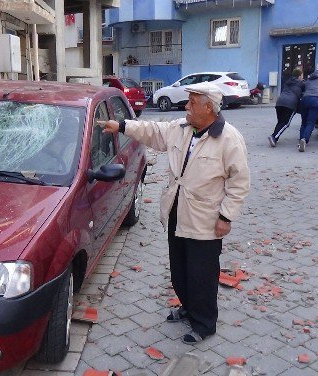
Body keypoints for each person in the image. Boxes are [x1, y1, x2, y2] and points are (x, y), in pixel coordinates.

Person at [98, 82, 250, 345]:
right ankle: (188, 308)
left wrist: (226, 217)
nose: (187, 106)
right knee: (180, 269)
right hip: (177, 211)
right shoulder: (181, 129)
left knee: (201, 274)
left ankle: (204, 324)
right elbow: (153, 131)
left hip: (206, 219)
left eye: (192, 103)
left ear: (209, 108)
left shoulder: (229, 139)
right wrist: (121, 126)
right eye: (188, 101)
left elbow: (239, 182)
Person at [268, 68, 304, 147]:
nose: (302, 76)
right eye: (301, 75)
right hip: (290, 104)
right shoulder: (301, 83)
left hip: (280, 102)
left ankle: (274, 138)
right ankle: (273, 137)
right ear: (299, 76)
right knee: (285, 123)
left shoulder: (288, 82)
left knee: (280, 122)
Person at [298, 70, 318, 152]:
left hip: (305, 99)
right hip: (316, 99)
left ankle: (300, 140)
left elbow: (302, 87)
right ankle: (305, 139)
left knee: (304, 122)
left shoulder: (308, 80)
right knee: (311, 122)